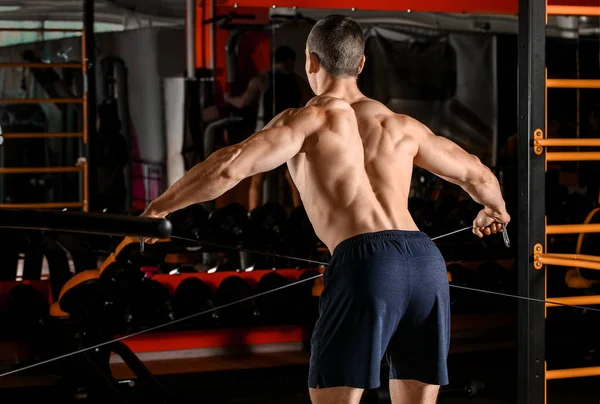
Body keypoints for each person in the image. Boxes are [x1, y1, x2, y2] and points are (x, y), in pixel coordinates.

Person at [142, 15, 510, 404]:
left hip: (366, 262)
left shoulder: (310, 119)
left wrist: (158, 207)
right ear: (361, 64)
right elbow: (477, 174)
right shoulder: (401, 125)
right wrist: (493, 210)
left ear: (310, 61)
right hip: (425, 261)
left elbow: (230, 166)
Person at [225, 45, 311, 210]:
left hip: (266, 134)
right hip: (288, 135)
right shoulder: (296, 80)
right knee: (292, 178)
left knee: (257, 177)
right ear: (288, 61)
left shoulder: (261, 80)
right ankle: (299, 218)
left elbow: (242, 102)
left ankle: (252, 216)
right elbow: (312, 102)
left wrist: (228, 98)